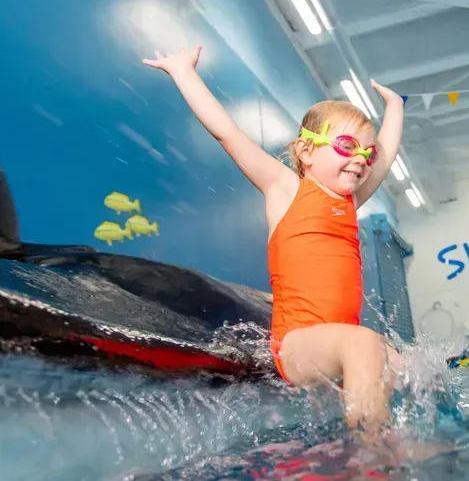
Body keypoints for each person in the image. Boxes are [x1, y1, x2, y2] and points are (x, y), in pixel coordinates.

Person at [143, 46, 405, 433]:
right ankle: (373, 455)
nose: (360, 159)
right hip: (296, 345)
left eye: (366, 153)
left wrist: (396, 107)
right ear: (305, 150)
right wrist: (184, 72)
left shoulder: (350, 203)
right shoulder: (286, 189)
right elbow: (227, 132)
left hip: (337, 342)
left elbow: (385, 158)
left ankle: (391, 437)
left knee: (405, 363)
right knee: (364, 344)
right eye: (347, 147)